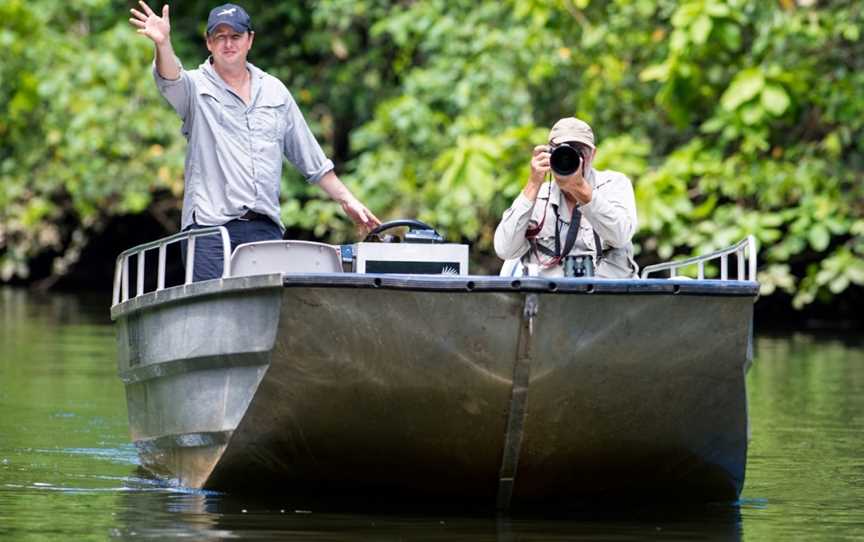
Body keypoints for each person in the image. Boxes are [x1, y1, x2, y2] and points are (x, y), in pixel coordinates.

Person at [129, 2, 380, 280]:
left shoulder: (274, 91)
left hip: (264, 227)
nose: (228, 44)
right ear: (209, 43)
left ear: (250, 39)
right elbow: (169, 78)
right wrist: (163, 44)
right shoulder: (194, 88)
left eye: (235, 36)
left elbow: (312, 160)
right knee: (214, 310)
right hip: (210, 231)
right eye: (220, 37)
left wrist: (349, 201)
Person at [494, 117, 638, 278]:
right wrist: (533, 183)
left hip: (610, 297)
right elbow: (504, 249)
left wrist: (580, 189)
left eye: (580, 151)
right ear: (549, 154)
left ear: (593, 154)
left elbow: (620, 236)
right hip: (552, 299)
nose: (571, 159)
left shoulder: (614, 184)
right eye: (563, 152)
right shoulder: (538, 195)